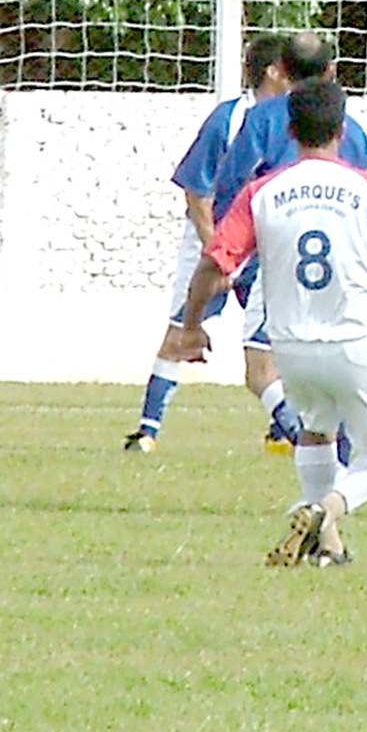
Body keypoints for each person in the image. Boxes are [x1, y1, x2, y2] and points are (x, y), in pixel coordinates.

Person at [185, 78, 367, 568]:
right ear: (342, 130)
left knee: (316, 431)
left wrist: (192, 324)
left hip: (291, 343)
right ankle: (324, 510)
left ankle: (327, 548)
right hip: (357, 339)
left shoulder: (263, 191)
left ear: (290, 130)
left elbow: (216, 260)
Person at [206, 31, 367, 456]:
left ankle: (307, 438)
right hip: (343, 267)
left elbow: (232, 189)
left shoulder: (263, 119)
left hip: (279, 260)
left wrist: (232, 257)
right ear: (332, 72)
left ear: (281, 70)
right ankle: (327, 442)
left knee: (261, 369)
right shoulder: (350, 130)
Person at [124, 32, 286, 453]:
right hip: (217, 242)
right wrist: (219, 251)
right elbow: (198, 193)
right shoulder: (229, 119)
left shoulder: (291, 119)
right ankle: (147, 430)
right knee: (182, 329)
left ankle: (283, 429)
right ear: (272, 71)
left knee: (281, 338)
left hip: (267, 249)